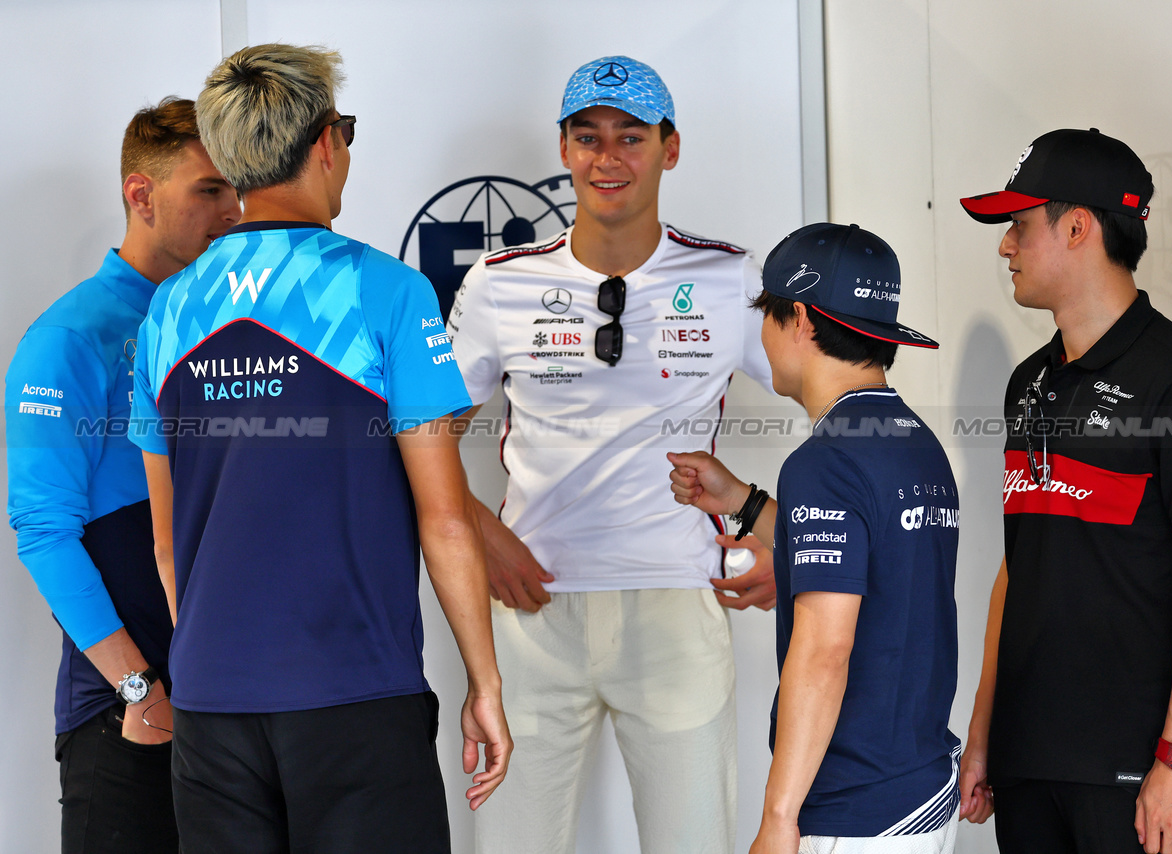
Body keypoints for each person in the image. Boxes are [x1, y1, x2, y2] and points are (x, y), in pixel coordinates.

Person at [128, 44, 510, 853]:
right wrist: (485, 680)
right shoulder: (386, 290)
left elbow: (165, 543)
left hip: (210, 703)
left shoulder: (166, 311)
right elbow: (444, 520)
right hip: (355, 695)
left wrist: (208, 663)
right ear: (326, 143)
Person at [447, 55, 776, 852]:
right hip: (532, 615)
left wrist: (780, 531)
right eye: (587, 137)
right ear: (563, 150)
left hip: (675, 609)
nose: (608, 158)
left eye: (631, 137)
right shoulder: (500, 283)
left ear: (670, 148)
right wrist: (482, 536)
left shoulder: (728, 277)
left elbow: (842, 400)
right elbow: (417, 442)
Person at [957, 128, 1172, 854]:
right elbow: (1015, 572)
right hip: (1028, 765)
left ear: (1078, 226)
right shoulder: (1028, 382)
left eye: (1019, 226)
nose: (1005, 247)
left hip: (1139, 775)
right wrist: (985, 734)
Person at [668, 223, 961, 854]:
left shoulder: (824, 462)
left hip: (856, 810)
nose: (763, 340)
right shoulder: (915, 442)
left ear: (798, 318)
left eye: (766, 317)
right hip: (922, 793)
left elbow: (825, 649)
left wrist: (778, 817)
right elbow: (871, 556)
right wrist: (743, 503)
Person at [6, 97, 239, 853]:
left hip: (236, 703)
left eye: (236, 187)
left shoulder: (227, 326)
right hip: (129, 711)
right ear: (141, 195)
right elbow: (42, 530)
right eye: (209, 190)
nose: (233, 209)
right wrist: (137, 686)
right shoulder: (71, 337)